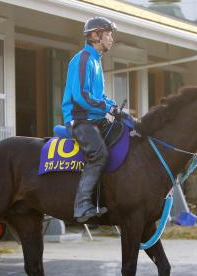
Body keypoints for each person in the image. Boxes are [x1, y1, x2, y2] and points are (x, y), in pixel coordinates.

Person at [62, 16, 120, 223]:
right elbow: (81, 96)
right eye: (108, 34)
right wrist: (106, 107)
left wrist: (112, 106)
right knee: (99, 155)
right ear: (96, 35)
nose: (111, 39)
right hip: (80, 120)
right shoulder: (83, 59)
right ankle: (82, 206)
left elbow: (98, 97)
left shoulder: (95, 60)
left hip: (93, 119)